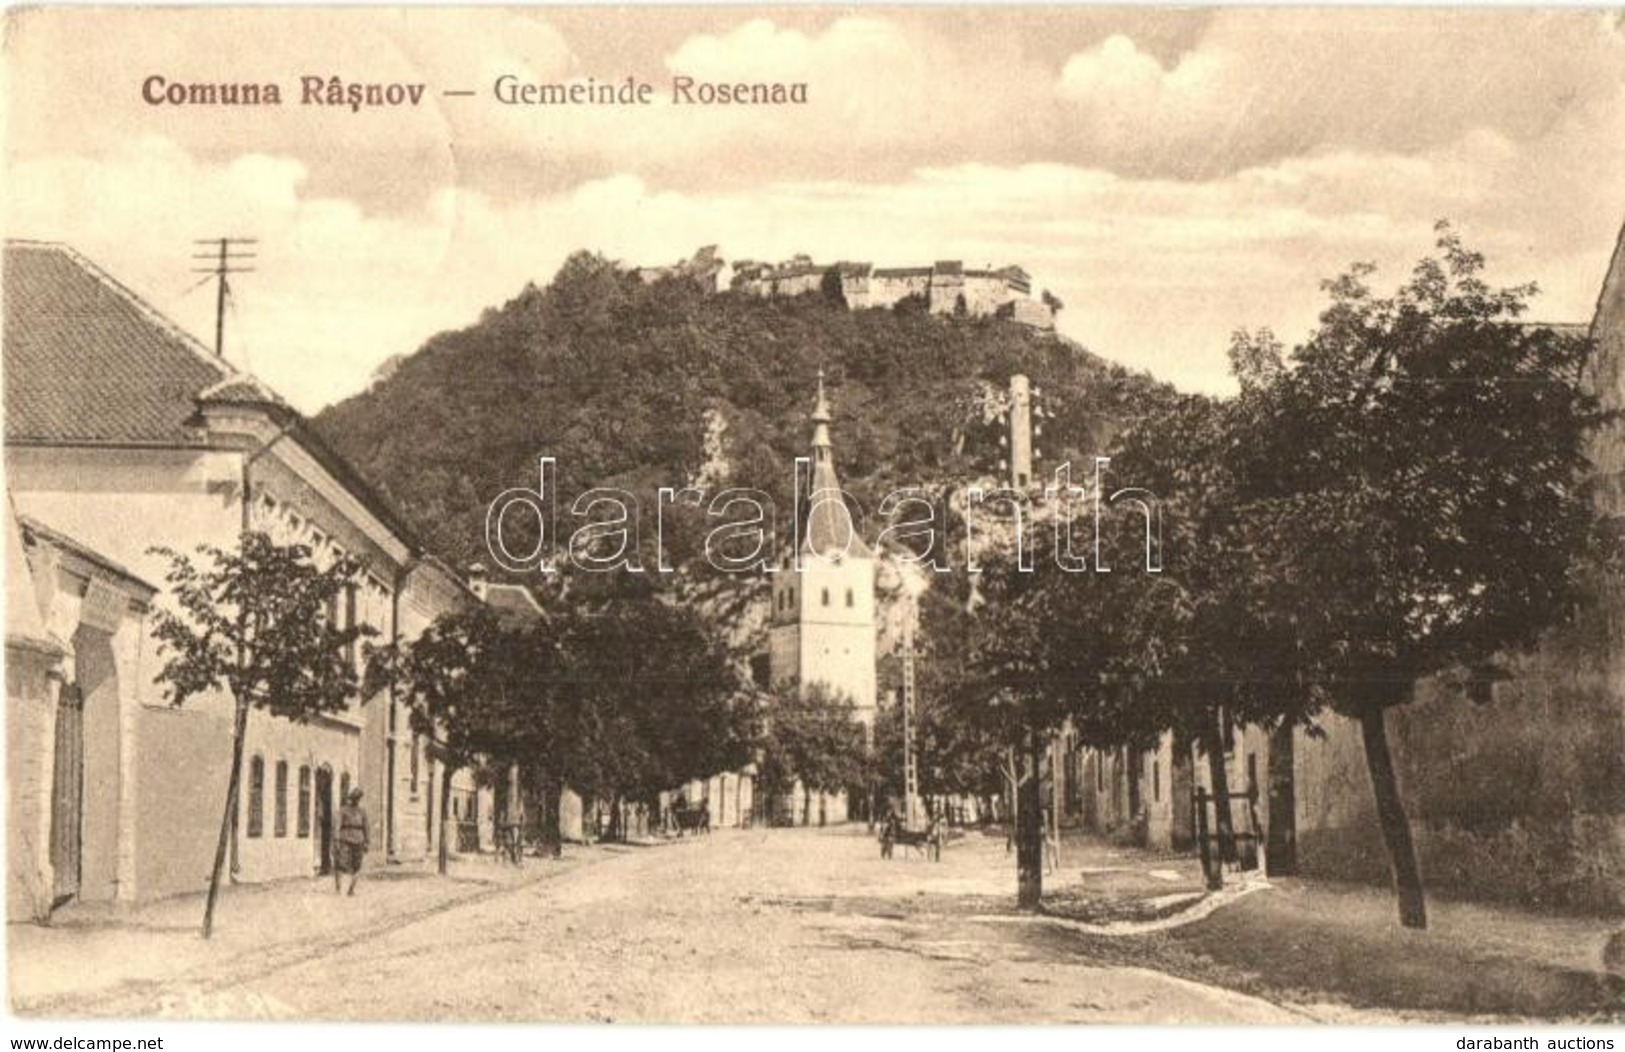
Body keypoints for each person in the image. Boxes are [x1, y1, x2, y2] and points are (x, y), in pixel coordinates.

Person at [335, 788, 369, 895]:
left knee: (357, 866)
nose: (356, 800)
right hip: (346, 839)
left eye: (357, 798)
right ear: (351, 799)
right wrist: (336, 839)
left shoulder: (362, 812)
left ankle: (351, 889)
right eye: (354, 798)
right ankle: (338, 889)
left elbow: (366, 827)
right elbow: (337, 825)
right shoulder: (343, 810)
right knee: (341, 864)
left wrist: (367, 841)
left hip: (358, 840)